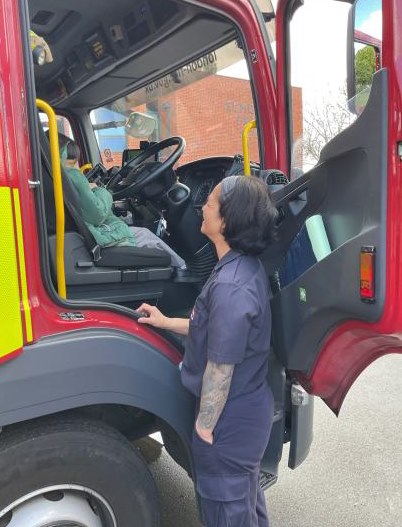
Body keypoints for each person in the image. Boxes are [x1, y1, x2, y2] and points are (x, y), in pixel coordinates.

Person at [137, 175, 278, 527]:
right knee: (244, 506)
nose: (202, 206)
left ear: (226, 221)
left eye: (211, 202)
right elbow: (210, 328)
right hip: (244, 414)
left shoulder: (231, 287)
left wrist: (204, 428)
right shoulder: (238, 266)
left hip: (228, 422)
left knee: (225, 514)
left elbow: (221, 366)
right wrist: (166, 322)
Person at [58, 135, 185, 268]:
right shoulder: (73, 177)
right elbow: (97, 214)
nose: (77, 169)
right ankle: (183, 270)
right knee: (147, 236)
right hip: (97, 241)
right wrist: (101, 191)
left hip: (87, 235)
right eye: (73, 164)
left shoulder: (59, 178)